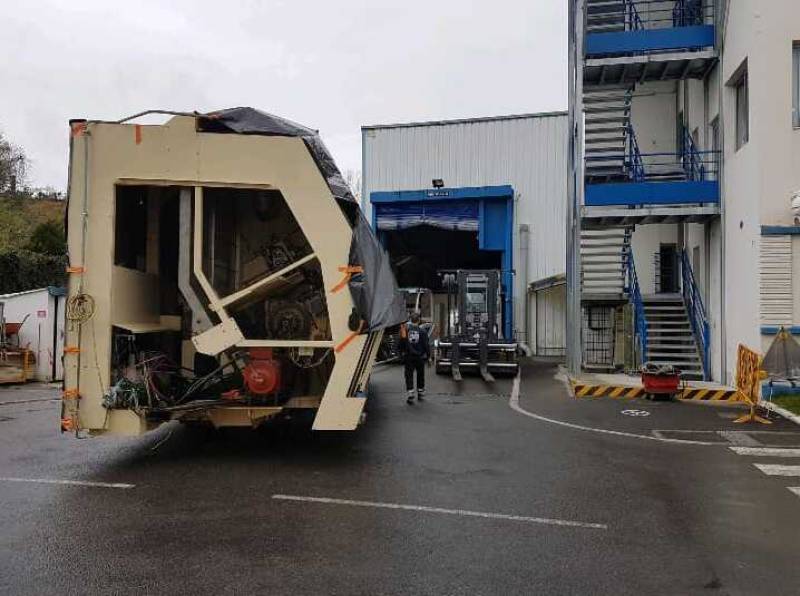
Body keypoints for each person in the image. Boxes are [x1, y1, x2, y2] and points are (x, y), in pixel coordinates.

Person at [399, 311, 430, 405]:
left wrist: (400, 354)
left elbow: (401, 343)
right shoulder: (423, 332)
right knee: (420, 374)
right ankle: (420, 392)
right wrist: (429, 357)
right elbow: (426, 345)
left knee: (409, 375)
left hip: (409, 356)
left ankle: (410, 393)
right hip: (420, 357)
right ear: (419, 320)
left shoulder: (406, 331)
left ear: (410, 320)